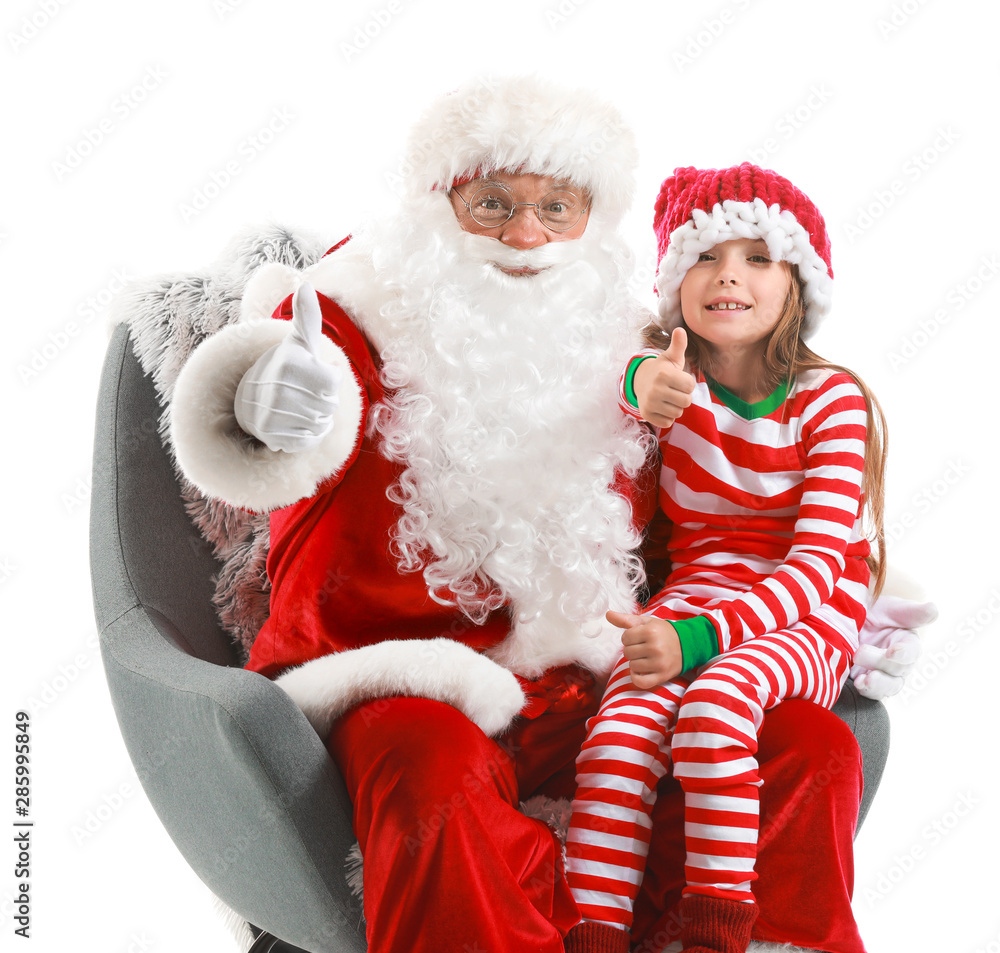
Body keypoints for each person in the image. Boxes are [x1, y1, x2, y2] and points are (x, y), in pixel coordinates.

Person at [168, 81, 921, 953]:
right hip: (416, 679)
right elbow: (302, 399)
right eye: (493, 204)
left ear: (592, 220)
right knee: (430, 780)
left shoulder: (623, 338)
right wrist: (266, 403)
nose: (526, 237)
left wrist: (855, 596)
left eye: (556, 208)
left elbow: (724, 520)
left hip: (603, 680)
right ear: (441, 203)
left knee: (803, 744)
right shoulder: (356, 306)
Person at [563, 163, 886, 953]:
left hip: (808, 608)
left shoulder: (830, 400)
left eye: (757, 258)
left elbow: (813, 569)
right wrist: (644, 384)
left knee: (714, 711)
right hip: (700, 592)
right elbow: (626, 378)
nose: (728, 276)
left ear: (798, 285)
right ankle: (590, 936)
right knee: (619, 732)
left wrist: (697, 644)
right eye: (705, 257)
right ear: (676, 283)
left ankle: (716, 931)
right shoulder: (677, 382)